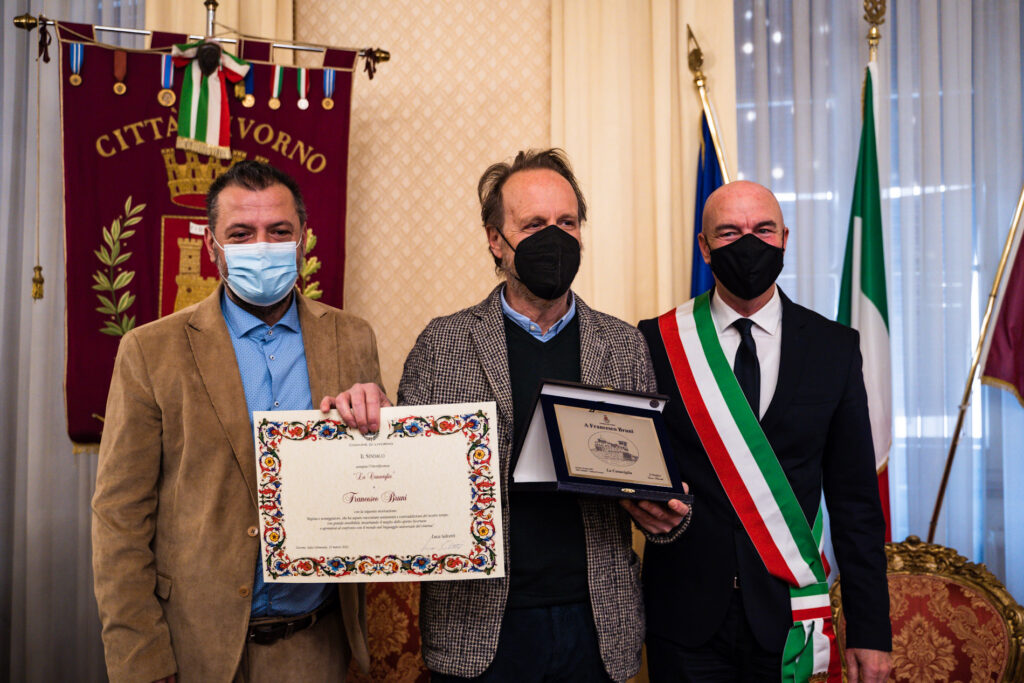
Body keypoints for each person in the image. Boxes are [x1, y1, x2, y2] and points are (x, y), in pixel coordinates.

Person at [325, 149, 690, 682]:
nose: (555, 238)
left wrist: (667, 514)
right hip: (476, 628)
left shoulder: (623, 344)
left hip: (596, 627)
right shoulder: (442, 344)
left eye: (567, 223)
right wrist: (362, 429)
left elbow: (655, 479)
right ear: (496, 239)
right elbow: (404, 484)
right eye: (534, 224)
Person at [92, 161, 378, 682]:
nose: (262, 247)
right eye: (242, 234)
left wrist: (382, 422)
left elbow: (375, 481)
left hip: (316, 646)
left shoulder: (352, 337)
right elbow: (120, 517)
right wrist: (141, 660)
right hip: (194, 649)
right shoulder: (150, 350)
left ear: (304, 240)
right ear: (212, 246)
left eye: (279, 231)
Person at [638, 180, 892, 682]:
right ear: (704, 247)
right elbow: (634, 465)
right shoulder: (656, 341)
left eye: (763, 230)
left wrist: (870, 630)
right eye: (729, 233)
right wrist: (637, 502)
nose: (749, 244)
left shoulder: (834, 348)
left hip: (789, 614)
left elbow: (856, 503)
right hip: (684, 619)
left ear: (784, 239)